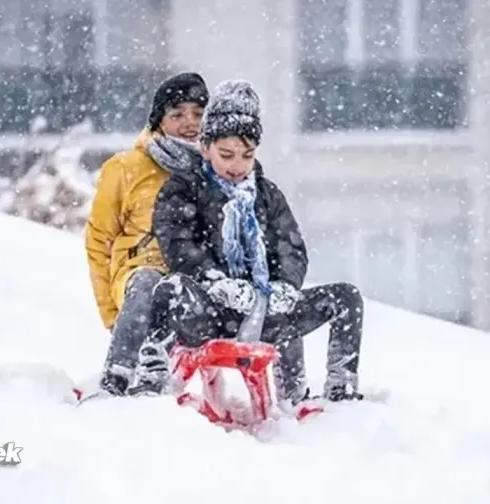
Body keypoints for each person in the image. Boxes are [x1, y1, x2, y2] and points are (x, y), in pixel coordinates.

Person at [143, 80, 365, 413]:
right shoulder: (183, 190)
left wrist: (284, 287)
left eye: (247, 155)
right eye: (226, 155)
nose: (237, 166)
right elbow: (178, 245)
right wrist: (216, 281)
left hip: (266, 312)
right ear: (205, 148)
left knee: (346, 297)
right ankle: (151, 380)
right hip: (212, 313)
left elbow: (291, 247)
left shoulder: (267, 194)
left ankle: (341, 393)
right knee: (169, 288)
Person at [84, 72, 209, 396]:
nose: (189, 123)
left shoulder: (217, 168)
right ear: (158, 120)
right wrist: (112, 315)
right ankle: (117, 378)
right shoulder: (125, 167)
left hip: (191, 278)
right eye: (177, 114)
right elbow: (99, 242)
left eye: (198, 113)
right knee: (149, 282)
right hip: (137, 277)